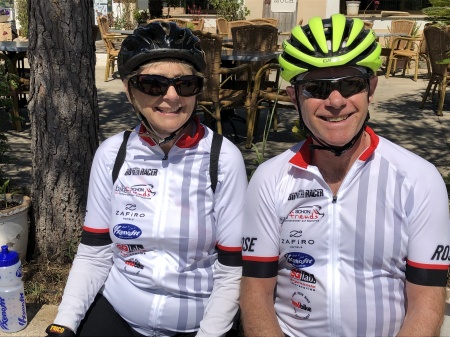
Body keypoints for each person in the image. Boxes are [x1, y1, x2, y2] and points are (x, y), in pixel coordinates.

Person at [240, 14, 450, 337]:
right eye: (317, 87)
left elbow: (427, 302)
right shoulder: (269, 180)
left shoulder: (418, 181)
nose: (335, 101)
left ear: (371, 88)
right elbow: (255, 294)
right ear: (295, 97)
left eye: (350, 84)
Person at [45, 22, 247, 337]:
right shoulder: (113, 155)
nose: (171, 97)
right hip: (120, 313)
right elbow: (94, 252)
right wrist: (64, 324)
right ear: (129, 89)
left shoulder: (222, 158)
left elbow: (232, 270)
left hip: (198, 322)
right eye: (153, 84)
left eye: (185, 84)